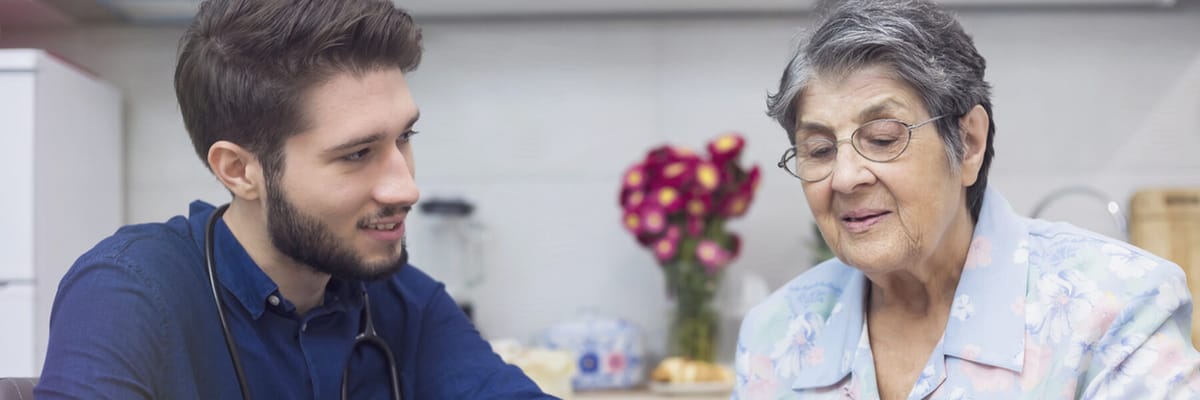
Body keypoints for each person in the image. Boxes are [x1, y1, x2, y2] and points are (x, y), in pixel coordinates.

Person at [35, 0, 553, 398]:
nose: (406, 188)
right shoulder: (130, 294)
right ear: (239, 170)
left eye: (404, 138)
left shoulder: (405, 303)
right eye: (356, 154)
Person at [734, 0, 1200, 399]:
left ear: (969, 142)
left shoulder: (1116, 310)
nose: (845, 177)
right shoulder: (776, 334)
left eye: (881, 138)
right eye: (819, 150)